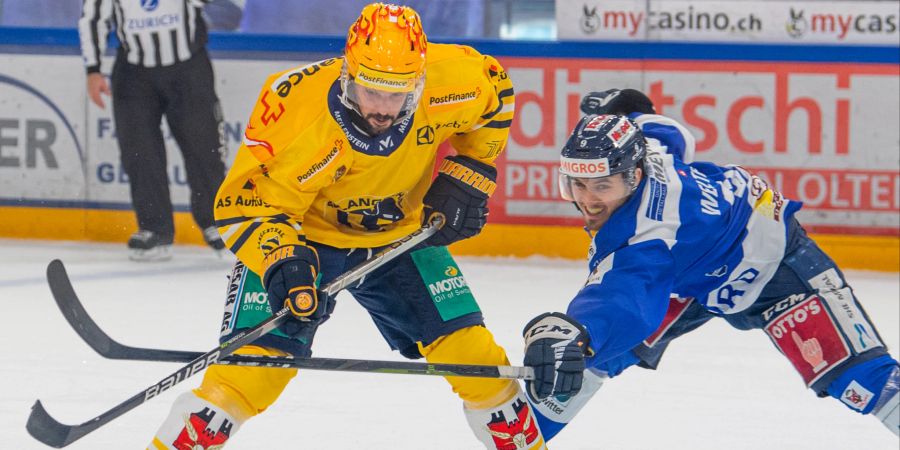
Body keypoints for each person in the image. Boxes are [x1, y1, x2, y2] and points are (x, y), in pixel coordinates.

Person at [148, 3, 546, 449]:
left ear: (418, 82)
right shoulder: (292, 107)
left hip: (400, 237)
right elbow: (248, 205)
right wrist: (282, 260)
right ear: (348, 74)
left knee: (476, 360)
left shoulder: (456, 78)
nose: (382, 109)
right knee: (250, 376)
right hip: (303, 239)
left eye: (397, 95)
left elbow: (497, 92)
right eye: (371, 91)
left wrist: (470, 169)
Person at [520, 89, 900, 442]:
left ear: (633, 176)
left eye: (603, 186)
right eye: (576, 186)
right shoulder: (646, 146)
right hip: (694, 272)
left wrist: (579, 331)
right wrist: (626, 110)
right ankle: (524, 433)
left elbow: (622, 300)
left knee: (866, 383)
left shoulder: (645, 239)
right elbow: (671, 133)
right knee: (591, 358)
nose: (588, 201)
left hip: (777, 265)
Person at [79, 0, 227, 261]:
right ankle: (154, 228)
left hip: (188, 67)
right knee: (139, 151)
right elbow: (93, 17)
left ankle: (218, 222)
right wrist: (93, 69)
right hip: (134, 72)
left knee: (204, 147)